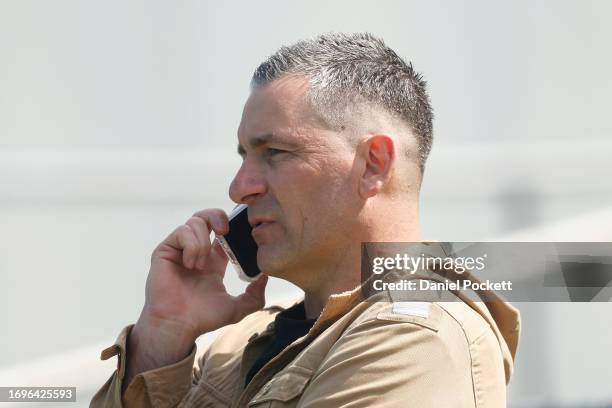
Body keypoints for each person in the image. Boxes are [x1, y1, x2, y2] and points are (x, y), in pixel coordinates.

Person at [91, 32, 520, 407]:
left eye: (274, 153)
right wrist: (161, 341)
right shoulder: (240, 343)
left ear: (373, 164)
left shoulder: (416, 338)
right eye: (244, 156)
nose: (239, 188)